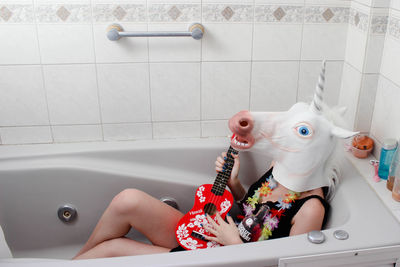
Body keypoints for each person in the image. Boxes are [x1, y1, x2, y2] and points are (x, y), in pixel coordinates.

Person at [73, 151, 328, 260]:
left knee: (113, 250)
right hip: (212, 232)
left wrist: (234, 243)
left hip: (224, 258)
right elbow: (251, 211)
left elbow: (286, 263)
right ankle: (73, 262)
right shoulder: (280, 167)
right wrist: (233, 181)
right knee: (128, 200)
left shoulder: (311, 208)